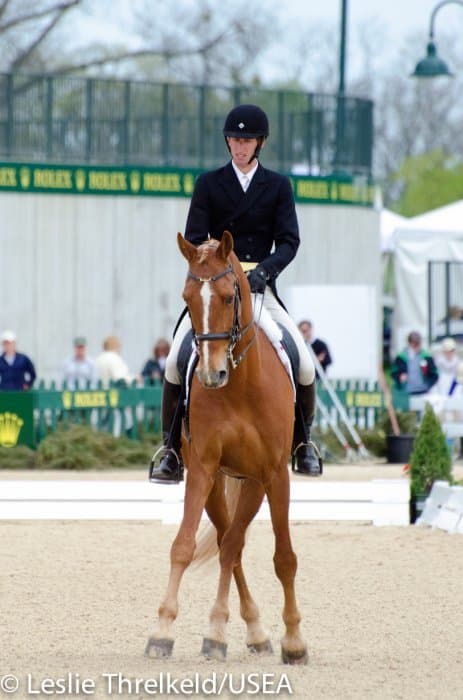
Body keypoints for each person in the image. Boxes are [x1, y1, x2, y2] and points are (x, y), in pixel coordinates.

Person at [150, 103, 321, 483]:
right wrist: (215, 267)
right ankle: (171, 450)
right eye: (234, 140)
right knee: (175, 361)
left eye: (246, 141)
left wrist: (264, 271)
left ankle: (302, 443)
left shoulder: (278, 186)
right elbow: (195, 237)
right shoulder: (208, 184)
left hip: (260, 288)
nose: (239, 146)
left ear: (260, 143)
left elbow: (289, 241)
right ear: (227, 142)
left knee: (304, 363)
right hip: (216, 288)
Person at [391, 331, 438, 395]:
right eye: (414, 344)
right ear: (409, 343)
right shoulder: (401, 357)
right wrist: (399, 377)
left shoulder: (426, 356)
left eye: (418, 344)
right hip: (407, 392)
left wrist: (429, 384)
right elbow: (393, 372)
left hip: (424, 390)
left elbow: (435, 373)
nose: (417, 347)